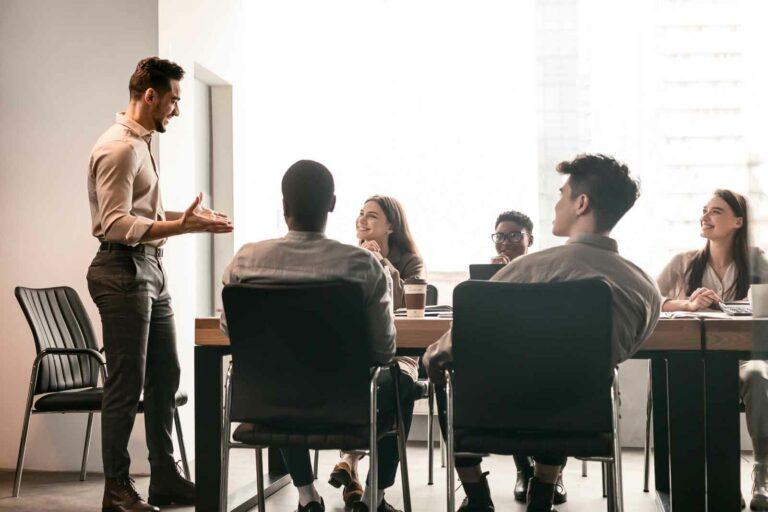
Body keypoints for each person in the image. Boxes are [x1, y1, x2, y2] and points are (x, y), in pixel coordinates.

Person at [423, 154, 661, 512]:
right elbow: (615, 353)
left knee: (443, 369)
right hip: (579, 420)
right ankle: (545, 487)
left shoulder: (524, 271)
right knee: (562, 379)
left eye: (562, 193)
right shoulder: (645, 290)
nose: (556, 202)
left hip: (491, 414)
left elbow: (454, 346)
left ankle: (476, 496)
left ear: (581, 204)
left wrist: (432, 357)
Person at [222, 160, 416, 512]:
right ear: (332, 204)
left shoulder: (245, 261)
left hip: (271, 403)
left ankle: (307, 495)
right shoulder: (363, 265)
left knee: (285, 376)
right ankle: (375, 496)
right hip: (349, 403)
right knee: (403, 377)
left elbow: (229, 332)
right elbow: (385, 350)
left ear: (284, 206)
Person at [87, 57, 233, 511]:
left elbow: (143, 216)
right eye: (174, 100)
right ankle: (116, 488)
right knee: (126, 386)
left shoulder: (142, 143)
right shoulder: (120, 149)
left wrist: (192, 221)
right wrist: (184, 228)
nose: (176, 110)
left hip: (150, 270)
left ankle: (165, 478)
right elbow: (114, 225)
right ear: (150, 95)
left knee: (166, 374)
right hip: (122, 271)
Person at [657, 189, 768, 510]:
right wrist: (689, 304)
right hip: (690, 361)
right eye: (704, 210)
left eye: (716, 211)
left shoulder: (757, 259)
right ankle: (703, 484)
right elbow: (652, 300)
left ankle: (762, 471)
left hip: (743, 359)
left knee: (759, 377)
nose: (705, 216)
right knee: (687, 382)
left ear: (738, 221)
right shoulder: (684, 262)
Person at [327, 195, 424, 504]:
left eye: (371, 216)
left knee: (398, 383)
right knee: (381, 392)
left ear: (391, 225)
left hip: (398, 349)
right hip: (355, 353)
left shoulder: (410, 261)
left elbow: (402, 307)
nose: (362, 220)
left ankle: (352, 464)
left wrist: (381, 263)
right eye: (360, 214)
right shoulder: (345, 256)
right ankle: (366, 485)